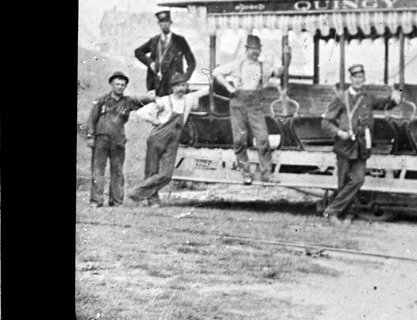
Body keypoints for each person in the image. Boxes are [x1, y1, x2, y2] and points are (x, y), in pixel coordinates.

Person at [318, 64, 402, 225]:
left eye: (361, 77)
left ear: (364, 79)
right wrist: (339, 132)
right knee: (343, 182)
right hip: (344, 144)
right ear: (351, 79)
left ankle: (332, 211)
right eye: (355, 77)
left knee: (358, 180)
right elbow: (326, 122)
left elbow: (385, 104)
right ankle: (346, 214)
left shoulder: (368, 97)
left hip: (362, 145)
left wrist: (395, 99)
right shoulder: (341, 97)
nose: (358, 80)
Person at [211, 34, 289, 184]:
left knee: (263, 139)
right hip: (238, 105)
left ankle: (266, 174)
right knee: (239, 140)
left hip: (255, 106)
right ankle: (245, 173)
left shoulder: (263, 66)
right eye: (252, 49)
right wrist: (229, 87)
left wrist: (287, 53)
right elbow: (216, 72)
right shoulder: (238, 64)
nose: (255, 52)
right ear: (246, 49)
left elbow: (278, 72)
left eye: (258, 49)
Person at [127, 73, 210, 206]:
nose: (181, 88)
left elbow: (205, 91)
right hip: (157, 137)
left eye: (183, 85)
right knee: (151, 171)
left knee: (166, 174)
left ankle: (135, 192)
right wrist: (155, 120)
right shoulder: (164, 100)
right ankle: (153, 200)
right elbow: (141, 112)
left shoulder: (188, 99)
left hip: (173, 139)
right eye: (178, 86)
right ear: (172, 88)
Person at [85, 71, 155, 207]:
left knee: (117, 171)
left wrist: (154, 96)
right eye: (117, 84)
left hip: (118, 140)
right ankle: (96, 201)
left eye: (123, 85)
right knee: (98, 170)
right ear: (112, 84)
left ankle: (116, 201)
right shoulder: (102, 100)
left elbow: (145, 101)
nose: (120, 87)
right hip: (101, 139)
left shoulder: (128, 102)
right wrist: (90, 136)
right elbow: (92, 119)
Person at [134, 9, 197, 96]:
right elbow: (138, 51)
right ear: (159, 24)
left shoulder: (179, 40)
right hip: (155, 82)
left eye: (167, 21)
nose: (164, 24)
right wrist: (150, 63)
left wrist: (185, 77)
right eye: (162, 22)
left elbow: (191, 62)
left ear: (170, 23)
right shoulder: (154, 40)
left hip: (174, 82)